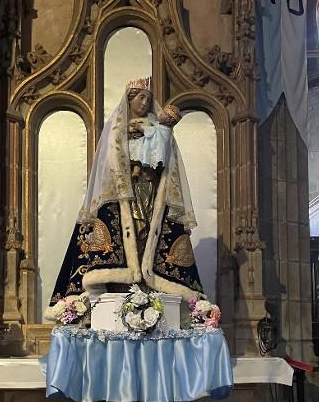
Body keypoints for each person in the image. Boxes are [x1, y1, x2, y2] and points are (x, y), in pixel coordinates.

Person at [45, 77, 204, 318]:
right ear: (129, 100)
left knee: (149, 232)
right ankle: (124, 281)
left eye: (148, 99)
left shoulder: (158, 128)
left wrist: (159, 132)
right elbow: (110, 163)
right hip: (126, 195)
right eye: (141, 97)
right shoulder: (118, 129)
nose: (145, 102)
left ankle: (146, 283)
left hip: (150, 191)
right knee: (128, 231)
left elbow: (166, 163)